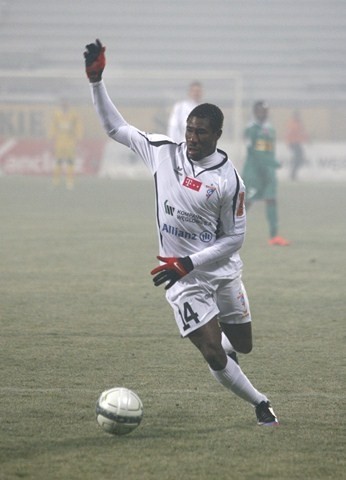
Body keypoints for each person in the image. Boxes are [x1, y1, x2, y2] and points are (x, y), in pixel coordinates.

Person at [84, 39, 279, 427]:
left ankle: (228, 342)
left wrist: (191, 261)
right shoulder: (162, 151)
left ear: (217, 135)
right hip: (179, 278)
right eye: (189, 130)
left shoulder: (228, 182)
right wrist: (95, 81)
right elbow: (114, 127)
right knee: (212, 352)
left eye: (201, 133)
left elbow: (234, 240)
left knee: (242, 345)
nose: (192, 138)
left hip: (220, 273)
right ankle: (260, 404)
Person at [242, 100, 290, 246]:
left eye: (265, 110)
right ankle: (225, 231)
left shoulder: (270, 129)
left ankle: (274, 236)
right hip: (254, 172)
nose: (263, 113)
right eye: (260, 110)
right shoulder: (250, 129)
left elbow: (269, 151)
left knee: (271, 199)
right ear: (255, 112)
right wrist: (274, 163)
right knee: (246, 203)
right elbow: (254, 152)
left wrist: (272, 164)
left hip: (268, 172)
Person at [49, 98, 83, 189]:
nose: (64, 104)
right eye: (63, 103)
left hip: (70, 142)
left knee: (70, 162)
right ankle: (56, 181)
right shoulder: (56, 114)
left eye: (66, 103)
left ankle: (70, 182)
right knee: (58, 162)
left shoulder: (74, 114)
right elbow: (53, 126)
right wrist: (51, 137)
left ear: (68, 104)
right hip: (59, 142)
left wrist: (78, 137)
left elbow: (78, 126)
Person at [285, 110, 308, 181]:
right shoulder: (293, 124)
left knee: (300, 159)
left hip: (297, 143)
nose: (299, 117)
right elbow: (293, 133)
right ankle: (293, 175)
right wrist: (288, 142)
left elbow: (301, 134)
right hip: (293, 143)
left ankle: (293, 174)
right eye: (297, 115)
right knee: (299, 158)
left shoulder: (298, 123)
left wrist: (306, 139)